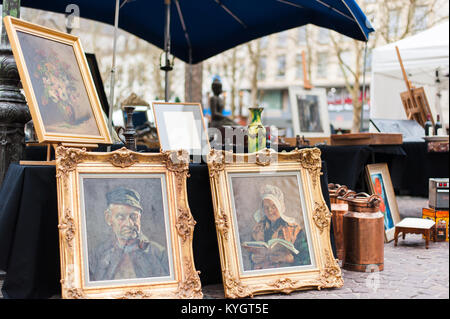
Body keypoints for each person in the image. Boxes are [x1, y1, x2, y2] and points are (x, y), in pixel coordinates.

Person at [89, 187, 169, 281]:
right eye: (121, 217)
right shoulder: (97, 255)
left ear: (140, 218)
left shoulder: (159, 254)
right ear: (108, 218)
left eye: (134, 217)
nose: (129, 223)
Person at [245, 184, 311, 270]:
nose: (270, 211)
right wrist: (253, 257)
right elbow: (250, 253)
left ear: (280, 207)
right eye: (266, 207)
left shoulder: (294, 229)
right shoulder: (257, 229)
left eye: (273, 206)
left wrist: (289, 259)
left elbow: (307, 258)